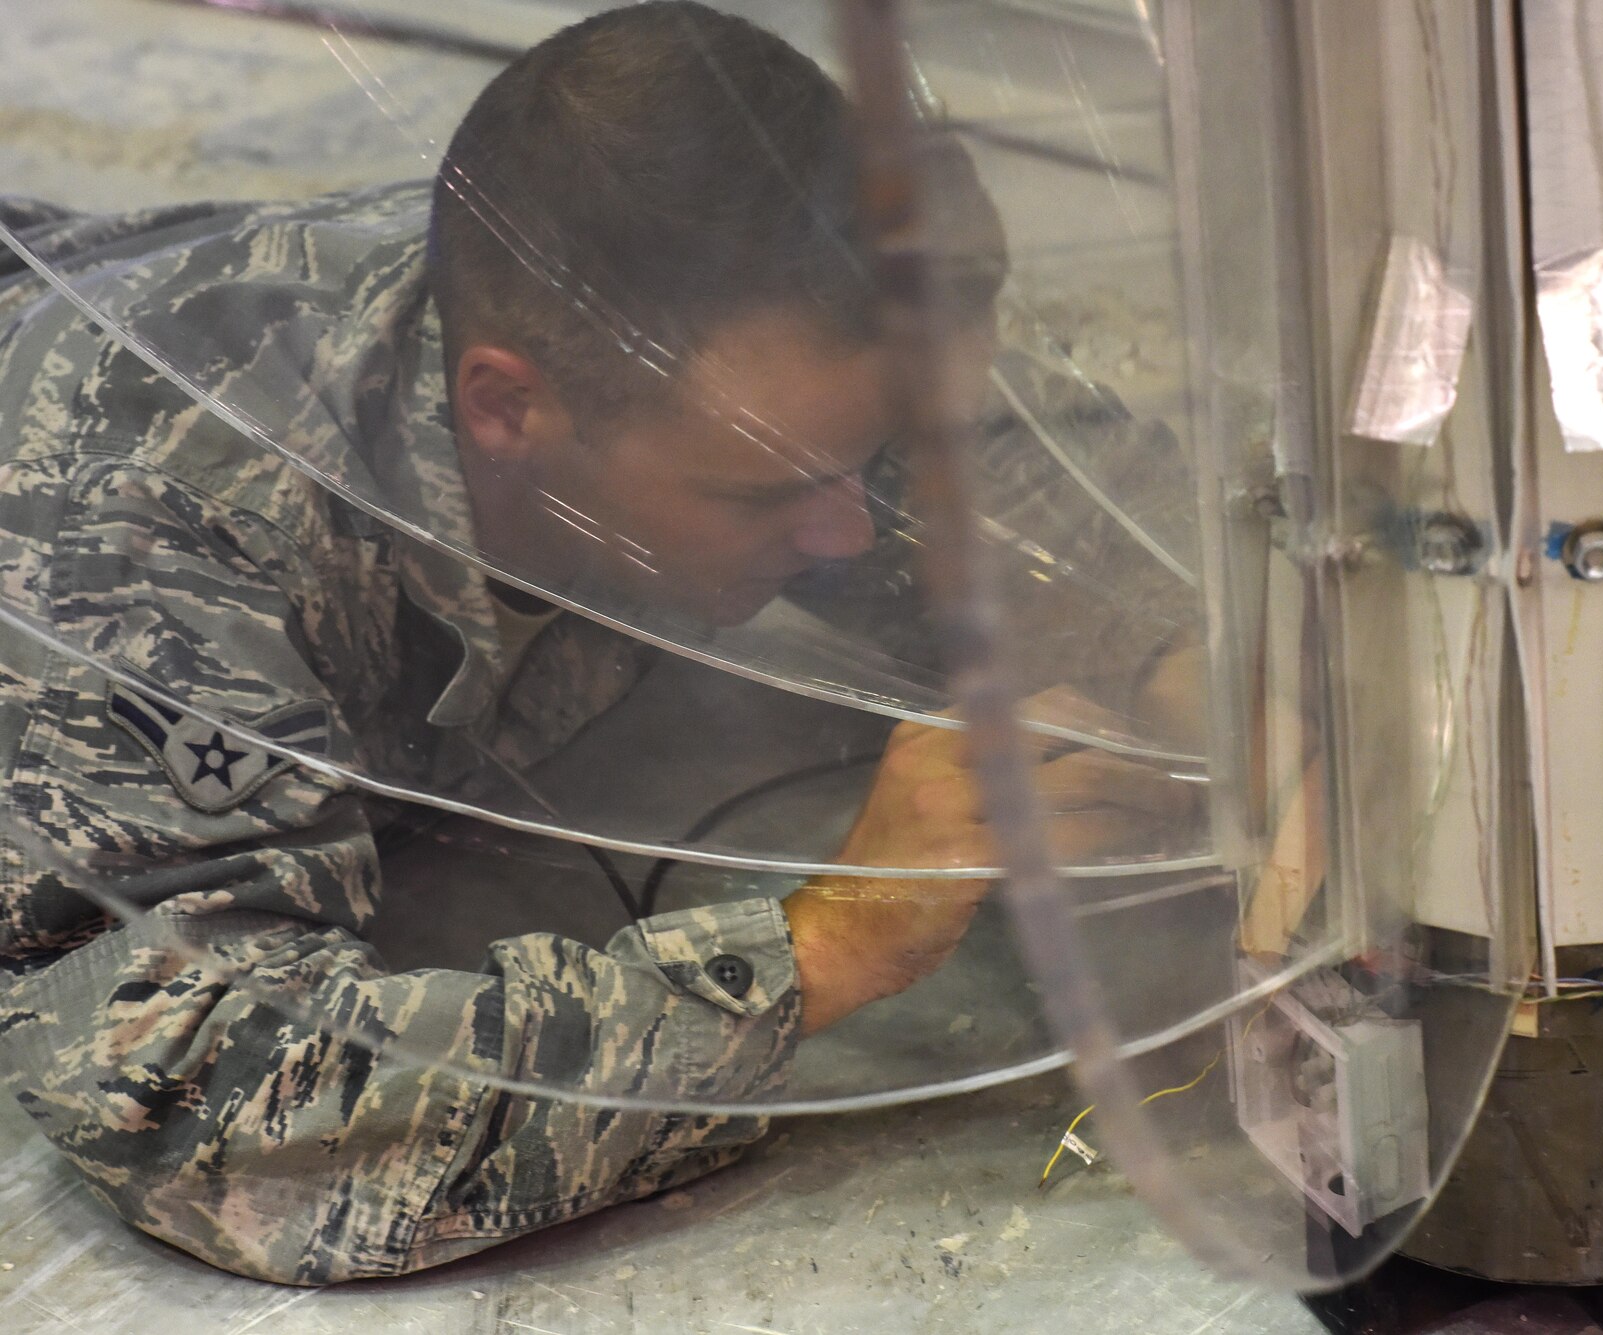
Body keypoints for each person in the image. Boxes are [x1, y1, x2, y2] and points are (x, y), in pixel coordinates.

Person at [0, 1, 1198, 1285]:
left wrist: (1189, 665)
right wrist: (824, 944)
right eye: (762, 493)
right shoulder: (150, 530)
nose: (849, 531)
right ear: (508, 406)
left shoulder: (686, 337)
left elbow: (1040, 481)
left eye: (859, 461)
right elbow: (212, 1114)